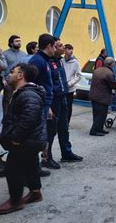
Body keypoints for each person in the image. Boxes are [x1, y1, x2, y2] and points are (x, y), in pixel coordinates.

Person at [0, 64, 47, 215]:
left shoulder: (28, 94)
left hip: (27, 140)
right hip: (32, 139)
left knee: (13, 168)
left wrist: (16, 139)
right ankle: (36, 193)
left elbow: (29, 118)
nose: (9, 74)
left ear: (20, 75)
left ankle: (15, 201)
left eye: (12, 72)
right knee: (30, 164)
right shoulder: (24, 92)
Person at [42, 39, 83, 169]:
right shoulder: (45, 62)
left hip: (63, 97)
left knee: (64, 128)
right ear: (52, 47)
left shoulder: (59, 60)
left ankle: (66, 153)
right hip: (53, 100)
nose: (63, 47)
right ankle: (46, 158)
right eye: (60, 46)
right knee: (51, 130)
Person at [29, 34, 57, 177]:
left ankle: (37, 166)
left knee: (41, 135)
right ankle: (34, 168)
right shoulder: (37, 61)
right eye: (55, 46)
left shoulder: (45, 60)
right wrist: (43, 104)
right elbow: (33, 83)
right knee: (36, 136)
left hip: (45, 104)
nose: (56, 49)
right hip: (39, 104)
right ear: (49, 46)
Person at [89, 57, 116, 136]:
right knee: (101, 114)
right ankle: (94, 130)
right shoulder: (109, 73)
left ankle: (99, 129)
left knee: (96, 113)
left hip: (93, 95)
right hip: (102, 97)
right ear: (111, 64)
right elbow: (113, 84)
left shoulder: (97, 70)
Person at [3, 35, 28, 113]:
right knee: (7, 99)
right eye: (16, 41)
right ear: (11, 43)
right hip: (9, 80)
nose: (19, 43)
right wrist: (3, 79)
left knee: (21, 98)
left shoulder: (24, 54)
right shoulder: (5, 54)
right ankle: (6, 116)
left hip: (21, 80)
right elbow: (2, 68)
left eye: (19, 41)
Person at [63, 44, 82, 123]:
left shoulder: (75, 62)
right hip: (61, 87)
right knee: (61, 106)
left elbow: (79, 75)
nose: (71, 51)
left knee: (68, 106)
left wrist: (70, 83)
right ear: (64, 50)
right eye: (68, 49)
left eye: (71, 49)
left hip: (69, 89)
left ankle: (67, 123)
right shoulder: (61, 60)